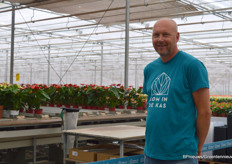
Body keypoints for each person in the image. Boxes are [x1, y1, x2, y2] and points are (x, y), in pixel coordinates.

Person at [142, 18, 211, 164]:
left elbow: (204, 111)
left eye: (165, 34)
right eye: (156, 35)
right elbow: (152, 107)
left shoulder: (192, 66)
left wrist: (198, 147)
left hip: (181, 155)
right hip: (151, 153)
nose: (160, 39)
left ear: (177, 37)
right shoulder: (150, 69)